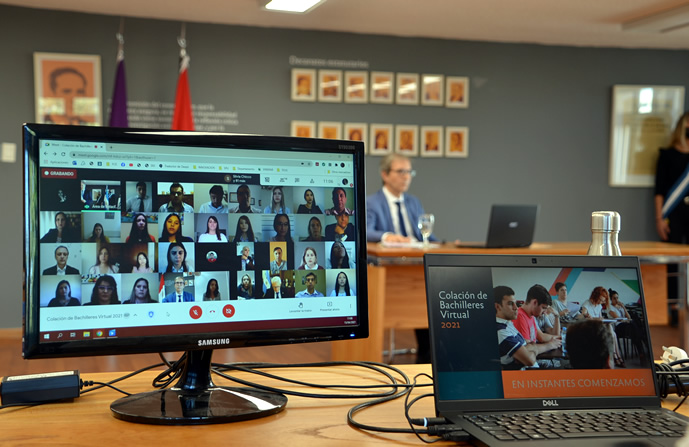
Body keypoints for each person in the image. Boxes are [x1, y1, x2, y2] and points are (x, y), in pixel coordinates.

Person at [366, 154, 437, 243]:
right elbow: (367, 231)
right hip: (390, 254)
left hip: (417, 253)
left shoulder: (414, 202)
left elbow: (428, 237)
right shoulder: (371, 203)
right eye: (401, 172)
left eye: (409, 172)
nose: (407, 177)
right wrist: (387, 237)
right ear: (385, 175)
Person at [494, 285, 539, 369]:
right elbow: (530, 361)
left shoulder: (507, 323)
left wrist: (528, 349)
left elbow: (526, 345)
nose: (516, 307)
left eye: (516, 303)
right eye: (511, 304)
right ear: (497, 306)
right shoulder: (500, 331)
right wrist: (534, 347)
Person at [513, 284, 562, 350]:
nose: (544, 312)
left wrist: (561, 337)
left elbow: (541, 337)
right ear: (535, 302)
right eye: (543, 308)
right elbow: (527, 349)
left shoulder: (531, 316)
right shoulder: (520, 316)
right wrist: (550, 345)